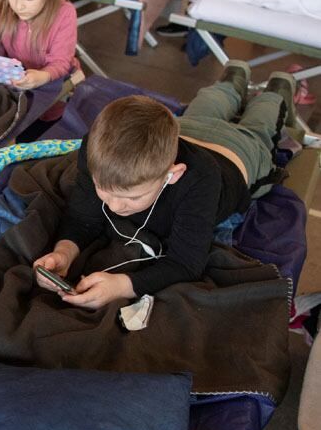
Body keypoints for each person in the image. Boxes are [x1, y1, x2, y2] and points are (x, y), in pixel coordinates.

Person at [33, 61, 296, 309]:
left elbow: (185, 263)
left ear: (173, 174)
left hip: (240, 150)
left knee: (259, 123)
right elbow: (82, 217)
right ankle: (232, 80)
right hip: (188, 129)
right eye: (103, 188)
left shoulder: (200, 182)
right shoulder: (93, 148)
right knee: (205, 107)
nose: (112, 205)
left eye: (132, 198)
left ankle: (276, 90)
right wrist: (64, 253)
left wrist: (124, 286)